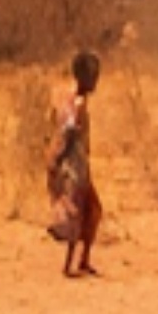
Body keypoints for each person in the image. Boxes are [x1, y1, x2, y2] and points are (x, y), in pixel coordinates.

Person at [46, 49, 105, 278]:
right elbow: (68, 131)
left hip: (79, 163)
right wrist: (59, 158)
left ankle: (83, 260)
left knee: (92, 211)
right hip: (74, 165)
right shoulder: (77, 103)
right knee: (79, 213)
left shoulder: (73, 99)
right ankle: (70, 264)